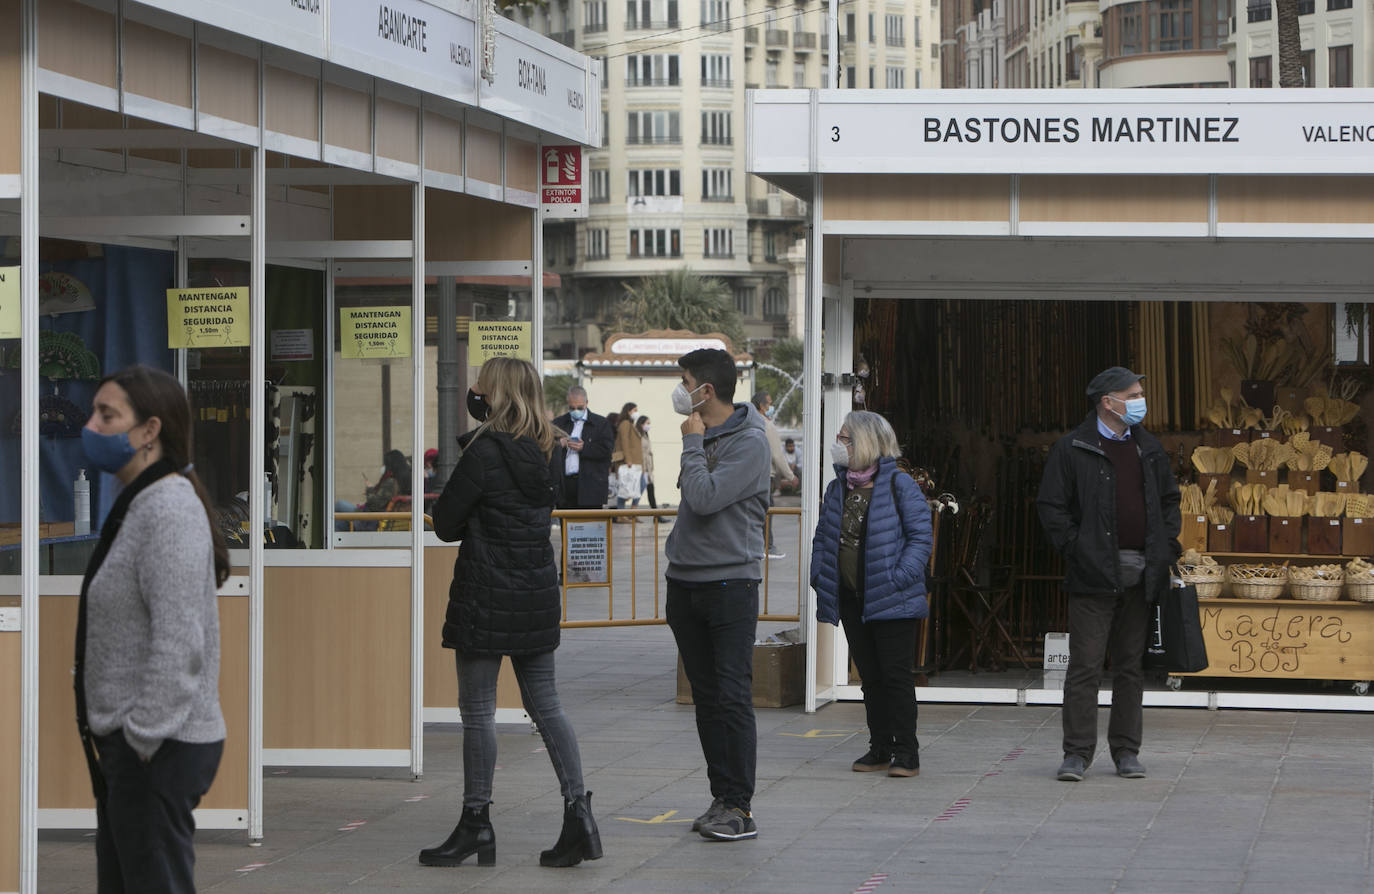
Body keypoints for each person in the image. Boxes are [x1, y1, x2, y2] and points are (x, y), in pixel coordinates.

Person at [422, 357, 601, 868]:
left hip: (485, 595)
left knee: (478, 713)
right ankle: (578, 814)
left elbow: (446, 524)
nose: (474, 389)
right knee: (546, 705)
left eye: (481, 384)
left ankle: (476, 823)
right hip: (536, 593)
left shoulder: (483, 453)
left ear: (496, 394)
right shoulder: (547, 448)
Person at [76, 365, 229, 893]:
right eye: (94, 412)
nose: (91, 427)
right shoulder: (142, 501)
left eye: (108, 415)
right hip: (137, 750)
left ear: (148, 431)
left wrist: (141, 739)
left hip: (159, 749)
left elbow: (180, 641)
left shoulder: (168, 510)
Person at [1037, 366, 1181, 783]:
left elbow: (1169, 501)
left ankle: (1126, 752)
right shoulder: (1073, 447)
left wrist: (1166, 545)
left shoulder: (1148, 448)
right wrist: (1077, 549)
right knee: (1084, 665)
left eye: (1139, 393)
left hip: (1142, 572)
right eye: (1132, 394)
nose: (1139, 401)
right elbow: (1051, 507)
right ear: (1108, 402)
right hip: (1093, 573)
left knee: (1130, 666)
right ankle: (1077, 754)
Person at [665, 348, 771, 842]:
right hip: (685, 581)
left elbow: (704, 498)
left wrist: (691, 445)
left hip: (730, 584)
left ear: (705, 391)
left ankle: (740, 808)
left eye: (684, 381)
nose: (679, 390)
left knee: (731, 697)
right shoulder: (702, 434)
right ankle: (721, 795)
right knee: (705, 699)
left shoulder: (750, 442)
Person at [810, 412, 933, 778]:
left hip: (892, 598)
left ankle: (906, 753)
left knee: (895, 678)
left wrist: (901, 576)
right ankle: (879, 747)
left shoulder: (899, 485)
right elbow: (823, 537)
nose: (838, 443)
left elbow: (920, 537)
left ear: (865, 442)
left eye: (845, 437)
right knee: (871, 679)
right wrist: (821, 573)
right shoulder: (838, 488)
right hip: (852, 599)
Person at [751, 391, 799, 559]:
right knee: (767, 510)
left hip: (749, 475)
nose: (771, 407)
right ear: (762, 406)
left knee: (753, 510)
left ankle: (755, 544)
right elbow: (777, 455)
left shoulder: (747, 422)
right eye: (769, 403)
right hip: (765, 476)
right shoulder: (766, 425)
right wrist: (791, 476)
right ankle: (767, 546)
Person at [551, 386, 615, 511]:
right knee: (567, 527)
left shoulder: (601, 423)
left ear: (586, 403)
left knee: (590, 527)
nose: (576, 411)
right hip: (565, 486)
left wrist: (584, 448)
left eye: (580, 408)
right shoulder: (558, 423)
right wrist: (560, 444)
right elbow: (544, 447)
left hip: (591, 486)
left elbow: (607, 450)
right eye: (572, 408)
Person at [614, 401, 645, 512]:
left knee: (638, 486)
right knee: (624, 489)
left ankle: (632, 512)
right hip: (628, 462)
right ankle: (622, 513)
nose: (637, 413)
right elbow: (625, 442)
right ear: (628, 411)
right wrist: (628, 460)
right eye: (635, 410)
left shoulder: (630, 424)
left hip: (635, 463)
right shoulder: (625, 424)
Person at [636, 414, 657, 509]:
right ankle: (632, 512)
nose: (649, 425)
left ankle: (656, 513)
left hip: (648, 468)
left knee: (650, 489)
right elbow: (640, 453)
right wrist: (643, 469)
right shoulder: (637, 435)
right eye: (647, 423)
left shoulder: (645, 435)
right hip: (642, 468)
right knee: (638, 491)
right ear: (641, 424)